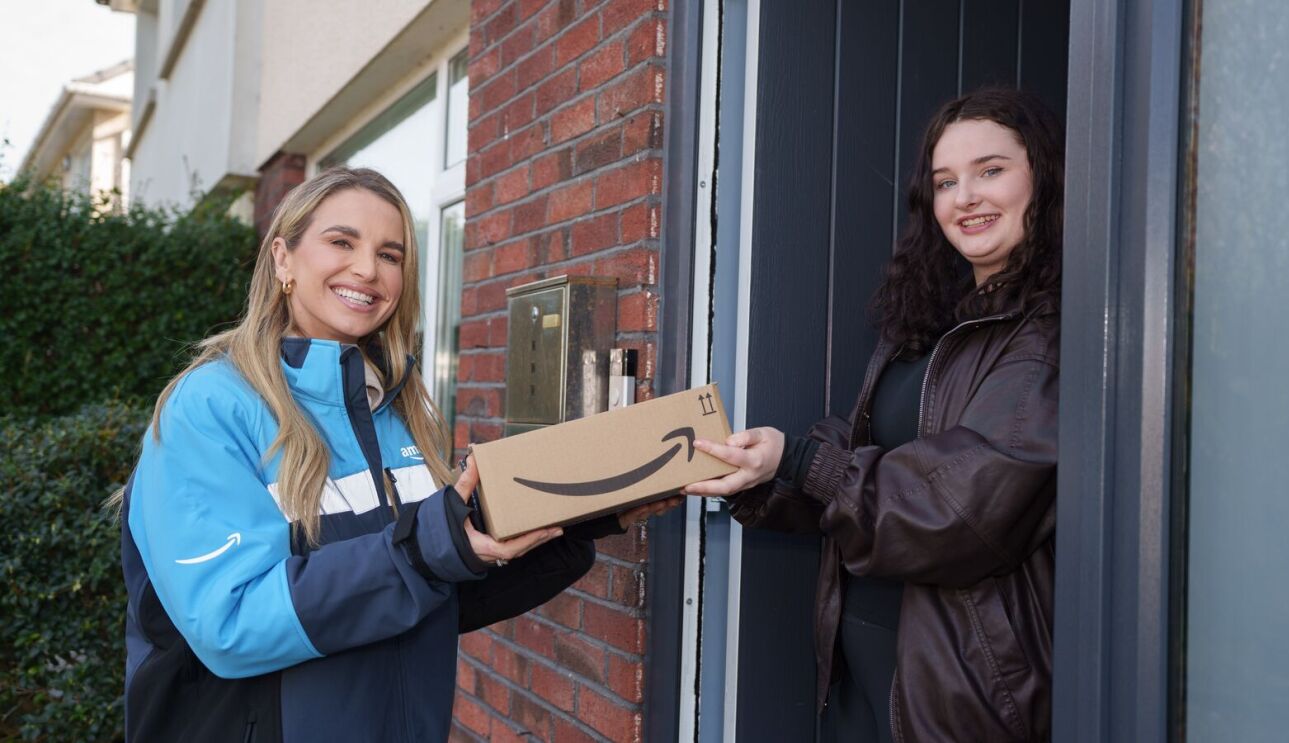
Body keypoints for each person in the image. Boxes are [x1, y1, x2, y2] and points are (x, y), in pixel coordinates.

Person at [117, 167, 678, 742]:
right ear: (282, 258)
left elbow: (430, 598)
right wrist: (422, 553)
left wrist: (577, 517)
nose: (367, 269)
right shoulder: (211, 407)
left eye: (391, 255)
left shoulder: (398, 410)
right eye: (341, 242)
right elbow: (230, 623)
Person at [685, 88, 1063, 742]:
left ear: (1045, 179)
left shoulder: (1049, 335)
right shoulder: (927, 322)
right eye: (945, 181)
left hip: (964, 694)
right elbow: (860, 451)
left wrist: (800, 461)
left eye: (991, 170)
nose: (965, 196)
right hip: (865, 675)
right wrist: (761, 473)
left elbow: (959, 509)